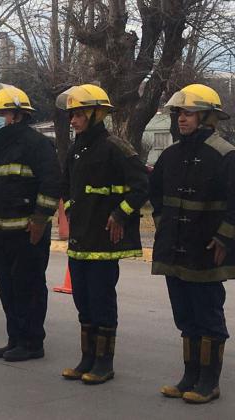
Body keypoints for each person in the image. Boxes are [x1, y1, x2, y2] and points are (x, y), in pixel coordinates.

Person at [56, 84, 148, 384]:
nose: (73, 120)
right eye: (71, 115)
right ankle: (87, 358)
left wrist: (120, 213)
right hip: (80, 240)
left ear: (96, 114)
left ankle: (104, 363)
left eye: (78, 114)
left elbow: (140, 186)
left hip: (104, 242)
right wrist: (70, 208)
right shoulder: (76, 149)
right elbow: (66, 185)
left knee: (101, 302)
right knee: (83, 302)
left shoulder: (116, 147)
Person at [150, 84, 232, 404]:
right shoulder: (171, 155)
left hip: (208, 249)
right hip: (175, 248)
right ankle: (190, 376)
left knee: (208, 316)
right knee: (185, 316)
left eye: (189, 113)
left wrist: (225, 236)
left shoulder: (225, 155)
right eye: (179, 113)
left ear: (208, 117)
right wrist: (162, 224)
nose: (182, 119)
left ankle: (209, 381)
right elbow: (155, 195)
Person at [0, 84, 61, 361]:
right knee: (7, 288)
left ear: (17, 115)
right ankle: (15, 337)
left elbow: (51, 183)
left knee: (29, 287)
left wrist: (40, 220)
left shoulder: (36, 144)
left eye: (1, 113)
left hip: (26, 232)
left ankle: (32, 342)